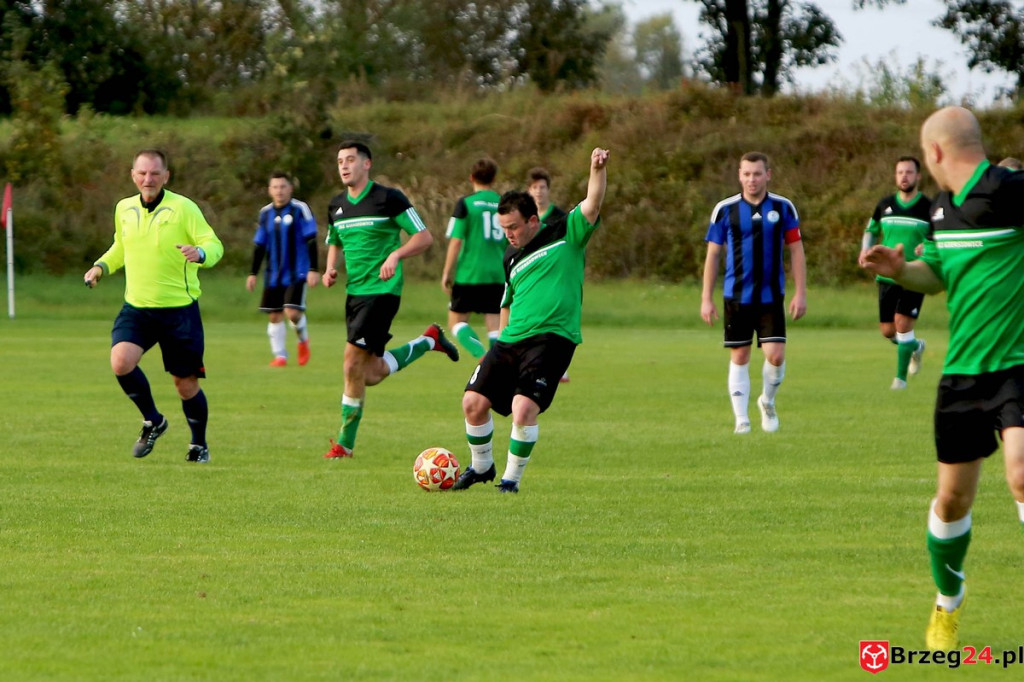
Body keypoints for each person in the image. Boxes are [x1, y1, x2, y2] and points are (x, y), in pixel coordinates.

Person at [862, 107, 1024, 651]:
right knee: (952, 501)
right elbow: (935, 274)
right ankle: (947, 604)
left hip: (1018, 367)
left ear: (933, 153)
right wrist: (899, 269)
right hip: (962, 376)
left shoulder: (1010, 190)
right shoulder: (940, 211)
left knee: (1021, 473)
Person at [453, 147, 609, 494]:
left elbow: (593, 202)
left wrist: (596, 168)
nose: (508, 234)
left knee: (523, 408)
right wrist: (500, 340)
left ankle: (510, 482)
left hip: (553, 337)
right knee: (472, 403)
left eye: (513, 227)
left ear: (533, 221)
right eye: (503, 228)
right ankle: (481, 467)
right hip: (512, 339)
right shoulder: (510, 257)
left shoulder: (566, 233)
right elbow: (506, 301)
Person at [83, 149, 224, 463]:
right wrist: (101, 267)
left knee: (185, 385)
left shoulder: (184, 208)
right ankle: (153, 420)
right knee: (121, 362)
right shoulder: (124, 208)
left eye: (155, 173)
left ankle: (198, 444)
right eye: (143, 173)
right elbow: (121, 245)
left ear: (166, 176)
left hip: (179, 310)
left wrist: (200, 253)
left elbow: (214, 245)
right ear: (133, 174)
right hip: (138, 308)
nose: (148, 179)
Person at [321, 141, 460, 459]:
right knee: (370, 373)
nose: (344, 166)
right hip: (354, 293)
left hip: (382, 293)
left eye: (351, 160)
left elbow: (423, 237)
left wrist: (396, 255)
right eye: (340, 160)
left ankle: (344, 444)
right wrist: (330, 268)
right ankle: (428, 341)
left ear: (366, 164)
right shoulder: (337, 205)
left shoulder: (388, 198)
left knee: (350, 362)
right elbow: (336, 240)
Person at [700, 151, 807, 434]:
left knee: (776, 356)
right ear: (739, 175)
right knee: (740, 356)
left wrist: (801, 293)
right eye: (746, 174)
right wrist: (706, 298)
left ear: (768, 175)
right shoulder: (725, 210)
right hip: (736, 297)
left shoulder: (784, 208)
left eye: (757, 174)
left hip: (771, 296)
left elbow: (796, 250)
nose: (751, 179)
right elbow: (713, 255)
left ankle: (767, 402)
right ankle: (741, 420)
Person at [857, 157, 931, 390]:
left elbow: (938, 237)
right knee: (888, 330)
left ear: (918, 176)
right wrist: (864, 250)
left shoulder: (928, 207)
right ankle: (915, 347)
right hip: (886, 276)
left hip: (915, 273)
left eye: (909, 172)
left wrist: (927, 248)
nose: (904, 176)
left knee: (902, 323)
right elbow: (871, 231)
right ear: (895, 176)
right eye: (900, 172)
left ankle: (900, 380)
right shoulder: (885, 204)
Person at [246, 172, 319, 367]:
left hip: (298, 271)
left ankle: (303, 340)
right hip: (273, 274)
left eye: (283, 187)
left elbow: (311, 239)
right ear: (270, 190)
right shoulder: (265, 213)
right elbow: (260, 245)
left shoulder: (300, 209)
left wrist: (314, 268)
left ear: (290, 188)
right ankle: (280, 356)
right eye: (275, 187)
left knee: (292, 313)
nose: (279, 191)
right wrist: (253, 273)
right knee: (274, 315)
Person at [440, 158, 503, 359]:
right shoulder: (504, 203)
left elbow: (456, 241)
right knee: (495, 325)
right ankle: (496, 365)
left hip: (470, 273)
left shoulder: (465, 204)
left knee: (456, 322)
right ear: (493, 179)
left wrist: (447, 272)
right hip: (498, 274)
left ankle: (482, 356)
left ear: (471, 177)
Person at [526, 167, 571, 384]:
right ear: (529, 190)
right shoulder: (526, 219)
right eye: (534, 187)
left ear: (548, 190)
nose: (539, 192)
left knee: (554, 317)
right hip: (532, 276)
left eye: (542, 187)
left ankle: (559, 366)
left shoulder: (559, 217)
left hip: (554, 276)